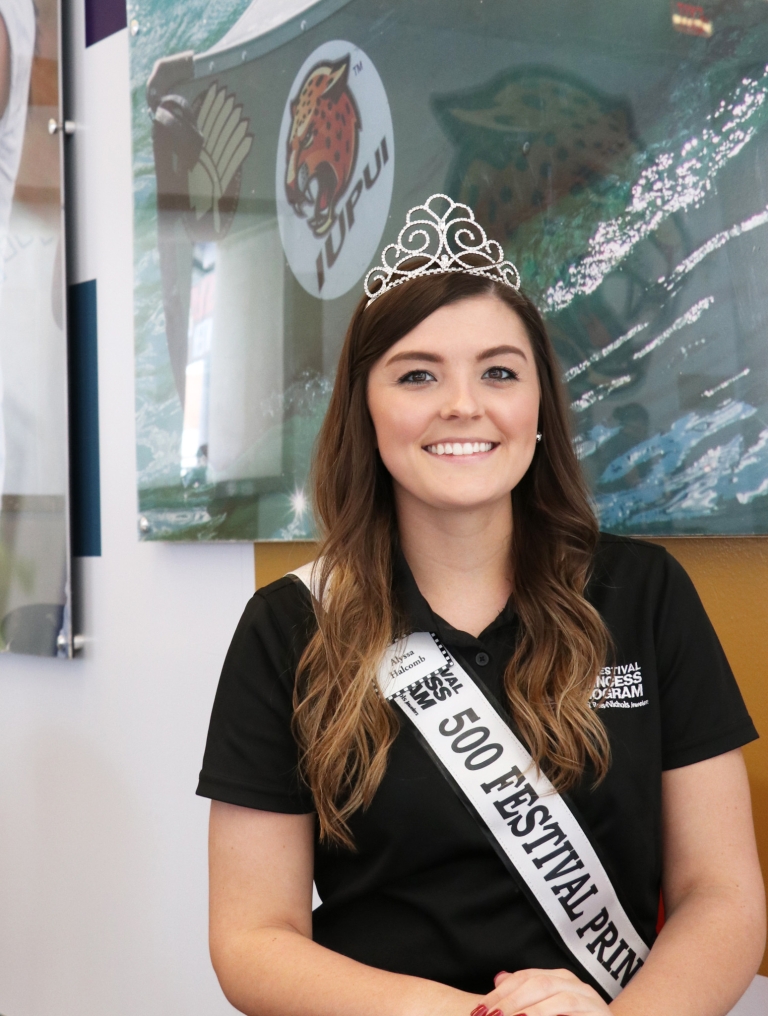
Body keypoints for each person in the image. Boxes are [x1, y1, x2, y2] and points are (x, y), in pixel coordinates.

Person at [197, 194, 765, 1016]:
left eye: (499, 371)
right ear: (366, 406)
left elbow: (723, 896)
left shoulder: (644, 595)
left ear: (538, 409)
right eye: (418, 374)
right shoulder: (290, 627)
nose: (463, 404)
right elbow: (251, 938)